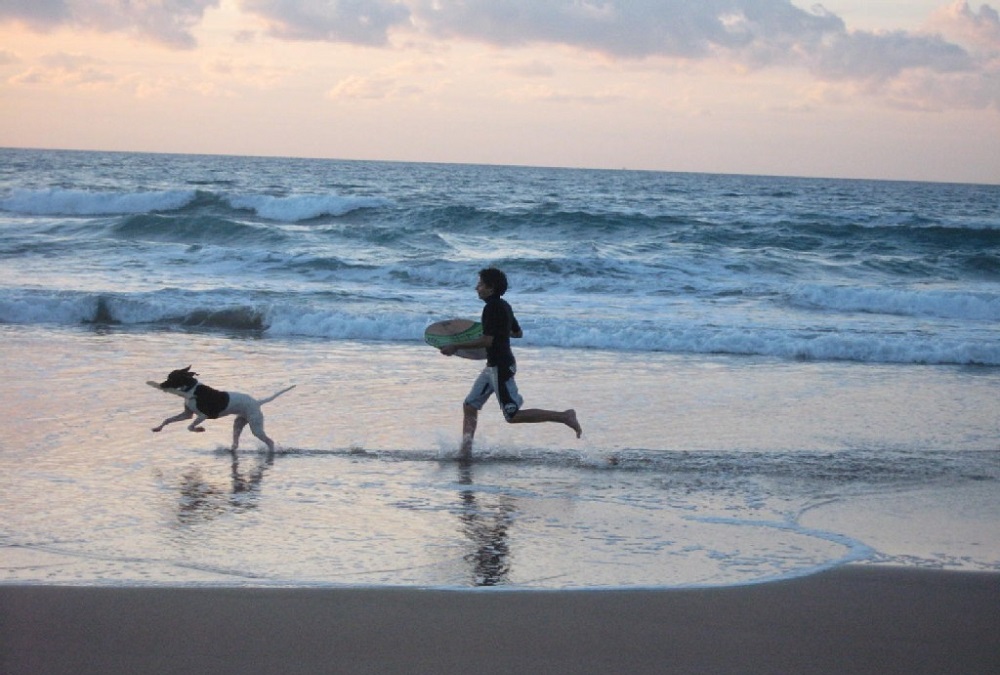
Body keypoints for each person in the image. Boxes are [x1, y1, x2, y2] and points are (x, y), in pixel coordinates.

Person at [440, 267, 582, 456]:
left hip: (500, 367)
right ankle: (465, 452)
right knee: (470, 405)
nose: (477, 288)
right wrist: (497, 333)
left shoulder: (491, 308)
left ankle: (564, 416)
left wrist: (456, 346)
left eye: (480, 284)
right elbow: (517, 333)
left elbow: (487, 341)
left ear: (490, 288)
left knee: (512, 416)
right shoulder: (504, 306)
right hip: (493, 366)